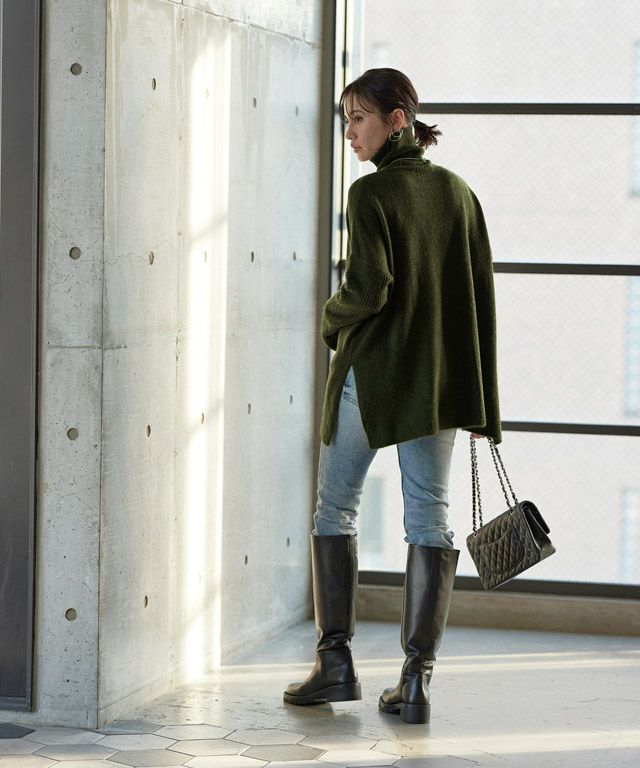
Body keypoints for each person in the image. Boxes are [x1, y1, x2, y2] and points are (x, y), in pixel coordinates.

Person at [283, 68, 501, 725]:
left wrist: (330, 319)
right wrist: (483, 405)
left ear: (397, 119)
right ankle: (415, 682)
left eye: (359, 118)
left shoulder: (371, 193)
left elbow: (367, 288)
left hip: (372, 379)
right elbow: (477, 302)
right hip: (434, 388)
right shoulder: (459, 194)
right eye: (346, 120)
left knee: (335, 508)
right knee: (429, 520)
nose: (350, 133)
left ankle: (335, 664)